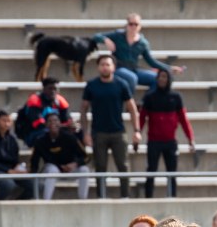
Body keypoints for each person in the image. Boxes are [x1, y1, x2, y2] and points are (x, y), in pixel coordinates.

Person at [81, 55, 141, 199]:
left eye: (108, 64)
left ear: (113, 67)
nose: (105, 67)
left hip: (118, 132)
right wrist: (85, 133)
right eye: (102, 64)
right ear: (98, 67)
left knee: (123, 166)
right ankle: (101, 197)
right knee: (100, 167)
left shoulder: (121, 84)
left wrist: (137, 130)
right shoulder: (91, 85)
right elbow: (83, 109)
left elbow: (132, 108)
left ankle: (125, 197)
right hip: (98, 132)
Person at [137, 68, 195, 198]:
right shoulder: (149, 97)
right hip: (154, 141)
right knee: (151, 171)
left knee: (172, 173)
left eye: (165, 77)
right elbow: (142, 118)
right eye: (160, 77)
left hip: (170, 142)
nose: (162, 80)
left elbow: (183, 119)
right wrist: (137, 134)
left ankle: (172, 197)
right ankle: (148, 198)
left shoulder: (176, 97)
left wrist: (190, 138)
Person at [93, 13, 184, 94]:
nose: (133, 27)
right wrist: (106, 40)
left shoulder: (142, 43)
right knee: (132, 78)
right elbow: (96, 36)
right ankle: (129, 104)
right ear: (126, 25)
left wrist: (168, 68)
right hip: (119, 68)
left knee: (157, 79)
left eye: (136, 24)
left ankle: (146, 103)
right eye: (131, 24)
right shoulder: (118, 36)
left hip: (134, 69)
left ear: (139, 26)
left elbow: (151, 61)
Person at [30, 113, 90, 200]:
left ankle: (83, 200)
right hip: (53, 170)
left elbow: (86, 157)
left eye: (55, 120)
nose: (53, 123)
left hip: (70, 170)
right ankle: (46, 201)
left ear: (60, 123)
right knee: (52, 170)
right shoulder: (41, 141)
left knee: (84, 170)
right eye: (50, 121)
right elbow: (34, 162)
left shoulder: (70, 138)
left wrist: (75, 164)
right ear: (46, 125)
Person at [0, 110, 35, 201]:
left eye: (9, 121)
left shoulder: (11, 139)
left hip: (10, 170)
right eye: (4, 120)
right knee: (8, 185)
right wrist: (8, 170)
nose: (6, 124)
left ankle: (15, 205)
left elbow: (15, 159)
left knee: (32, 185)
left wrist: (18, 168)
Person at [21, 77, 73, 147]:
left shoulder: (60, 101)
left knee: (75, 132)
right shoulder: (35, 101)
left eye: (55, 89)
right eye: (50, 88)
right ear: (44, 89)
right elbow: (39, 124)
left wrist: (71, 126)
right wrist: (59, 127)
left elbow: (67, 121)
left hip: (56, 131)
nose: (53, 91)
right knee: (46, 134)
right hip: (34, 133)